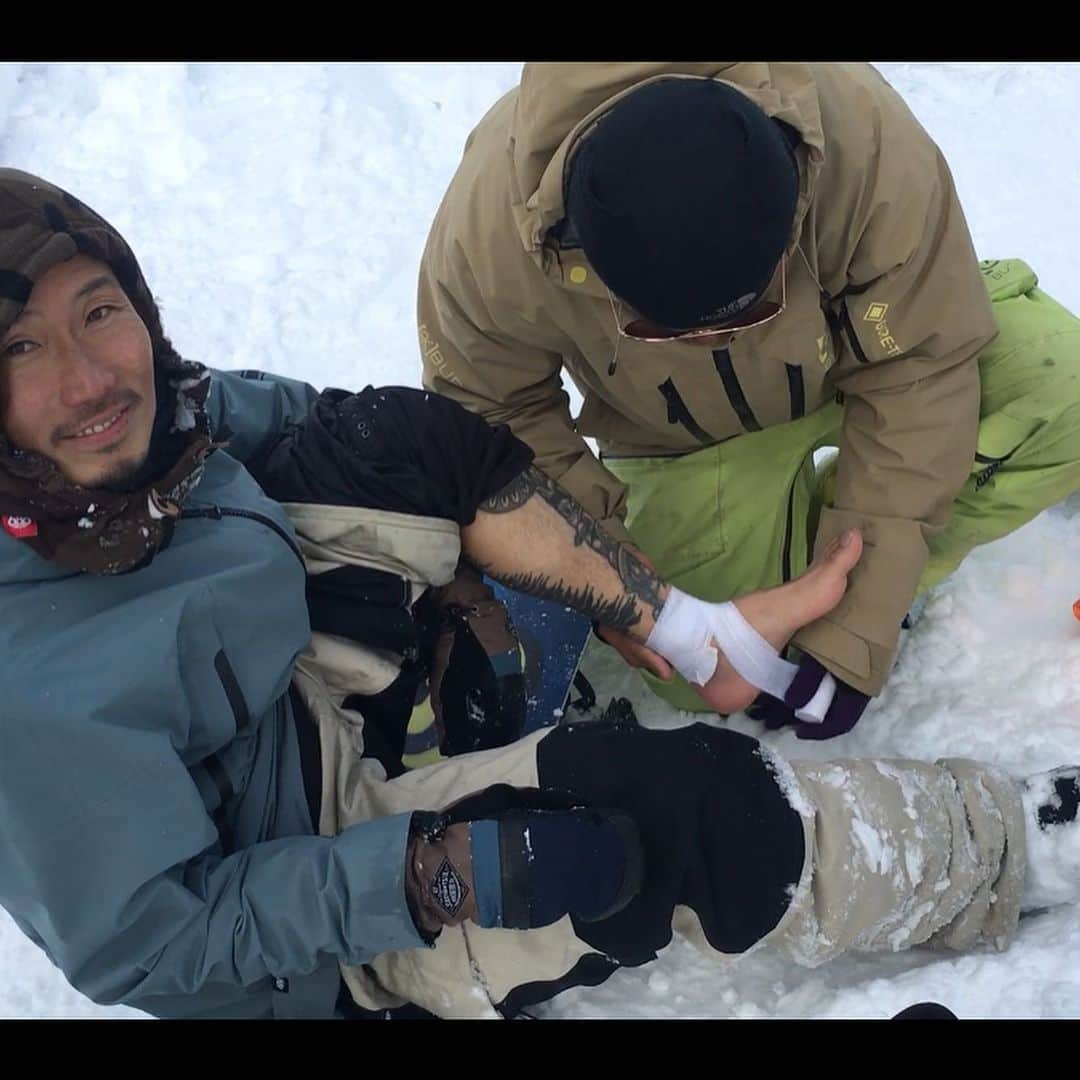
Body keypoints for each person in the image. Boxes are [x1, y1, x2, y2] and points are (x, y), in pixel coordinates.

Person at [1, 167, 1076, 1022]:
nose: (91, 379)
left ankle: (582, 670)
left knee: (400, 450)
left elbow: (333, 432)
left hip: (311, 703)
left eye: (99, 312)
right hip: (320, 917)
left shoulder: (167, 423)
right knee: (676, 818)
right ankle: (1008, 845)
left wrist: (656, 618)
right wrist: (428, 875)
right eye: (22, 348)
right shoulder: (32, 697)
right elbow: (157, 946)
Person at [418, 61, 1080, 739]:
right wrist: (613, 577)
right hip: (679, 441)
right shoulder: (488, 236)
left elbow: (920, 361)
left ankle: (843, 557)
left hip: (862, 359)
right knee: (713, 668)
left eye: (753, 310)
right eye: (670, 329)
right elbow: (493, 421)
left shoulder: (859, 135)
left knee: (1064, 392)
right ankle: (799, 549)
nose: (712, 342)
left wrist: (858, 621)